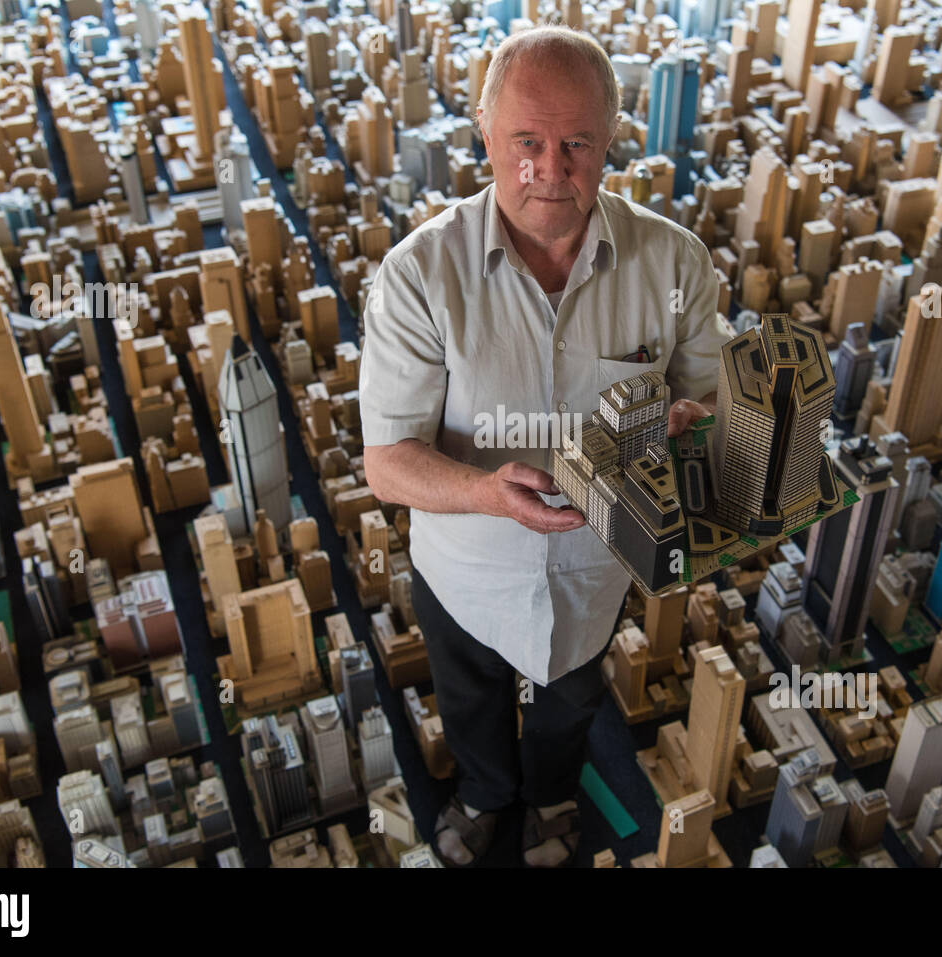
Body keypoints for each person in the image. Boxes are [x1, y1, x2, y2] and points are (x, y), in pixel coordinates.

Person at [359, 24, 734, 867]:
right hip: (464, 567)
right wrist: (492, 493)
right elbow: (386, 462)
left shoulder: (676, 263)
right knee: (469, 700)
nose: (552, 170)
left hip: (598, 572)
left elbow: (710, 401)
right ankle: (489, 790)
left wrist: (686, 423)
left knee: (570, 702)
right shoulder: (419, 275)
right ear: (484, 133)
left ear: (611, 142)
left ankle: (555, 795)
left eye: (578, 143)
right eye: (526, 141)